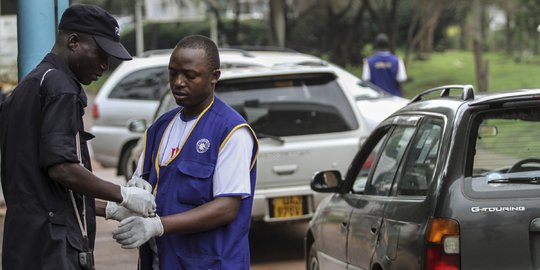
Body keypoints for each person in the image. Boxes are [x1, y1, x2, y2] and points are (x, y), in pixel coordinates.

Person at [0, 4, 156, 269]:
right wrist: (123, 195)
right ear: (73, 41)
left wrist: (106, 208)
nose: (104, 65)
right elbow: (62, 168)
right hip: (54, 249)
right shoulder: (61, 88)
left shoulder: (29, 85)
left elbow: (44, 191)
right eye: (101, 54)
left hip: (25, 244)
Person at [112, 35, 259, 270]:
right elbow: (140, 188)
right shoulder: (160, 127)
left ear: (214, 77)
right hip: (162, 261)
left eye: (190, 76)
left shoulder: (231, 131)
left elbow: (227, 208)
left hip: (210, 263)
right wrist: (123, 200)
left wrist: (158, 226)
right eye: (173, 73)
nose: (178, 82)